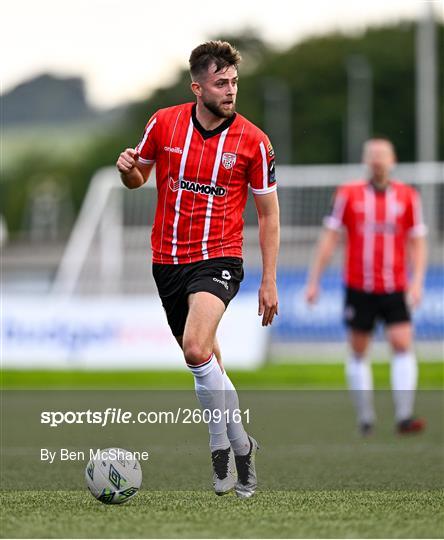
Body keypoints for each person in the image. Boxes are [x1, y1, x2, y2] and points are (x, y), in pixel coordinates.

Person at [116, 41, 279, 497]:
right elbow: (137, 178)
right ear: (197, 87)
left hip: (219, 257)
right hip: (166, 261)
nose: (230, 91)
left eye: (234, 83)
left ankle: (218, 448)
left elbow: (269, 214)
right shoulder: (163, 122)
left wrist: (268, 280)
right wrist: (127, 168)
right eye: (221, 83)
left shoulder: (254, 141)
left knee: (194, 348)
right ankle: (241, 442)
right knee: (208, 360)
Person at [305, 138, 427, 435]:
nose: (377, 161)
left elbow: (417, 242)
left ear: (393, 160)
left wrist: (418, 281)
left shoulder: (408, 197)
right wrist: (314, 280)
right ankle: (366, 417)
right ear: (365, 160)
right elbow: (330, 237)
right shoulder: (348, 194)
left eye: (382, 155)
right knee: (359, 349)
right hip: (359, 286)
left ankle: (404, 416)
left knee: (402, 343)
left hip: (395, 285)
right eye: (372, 155)